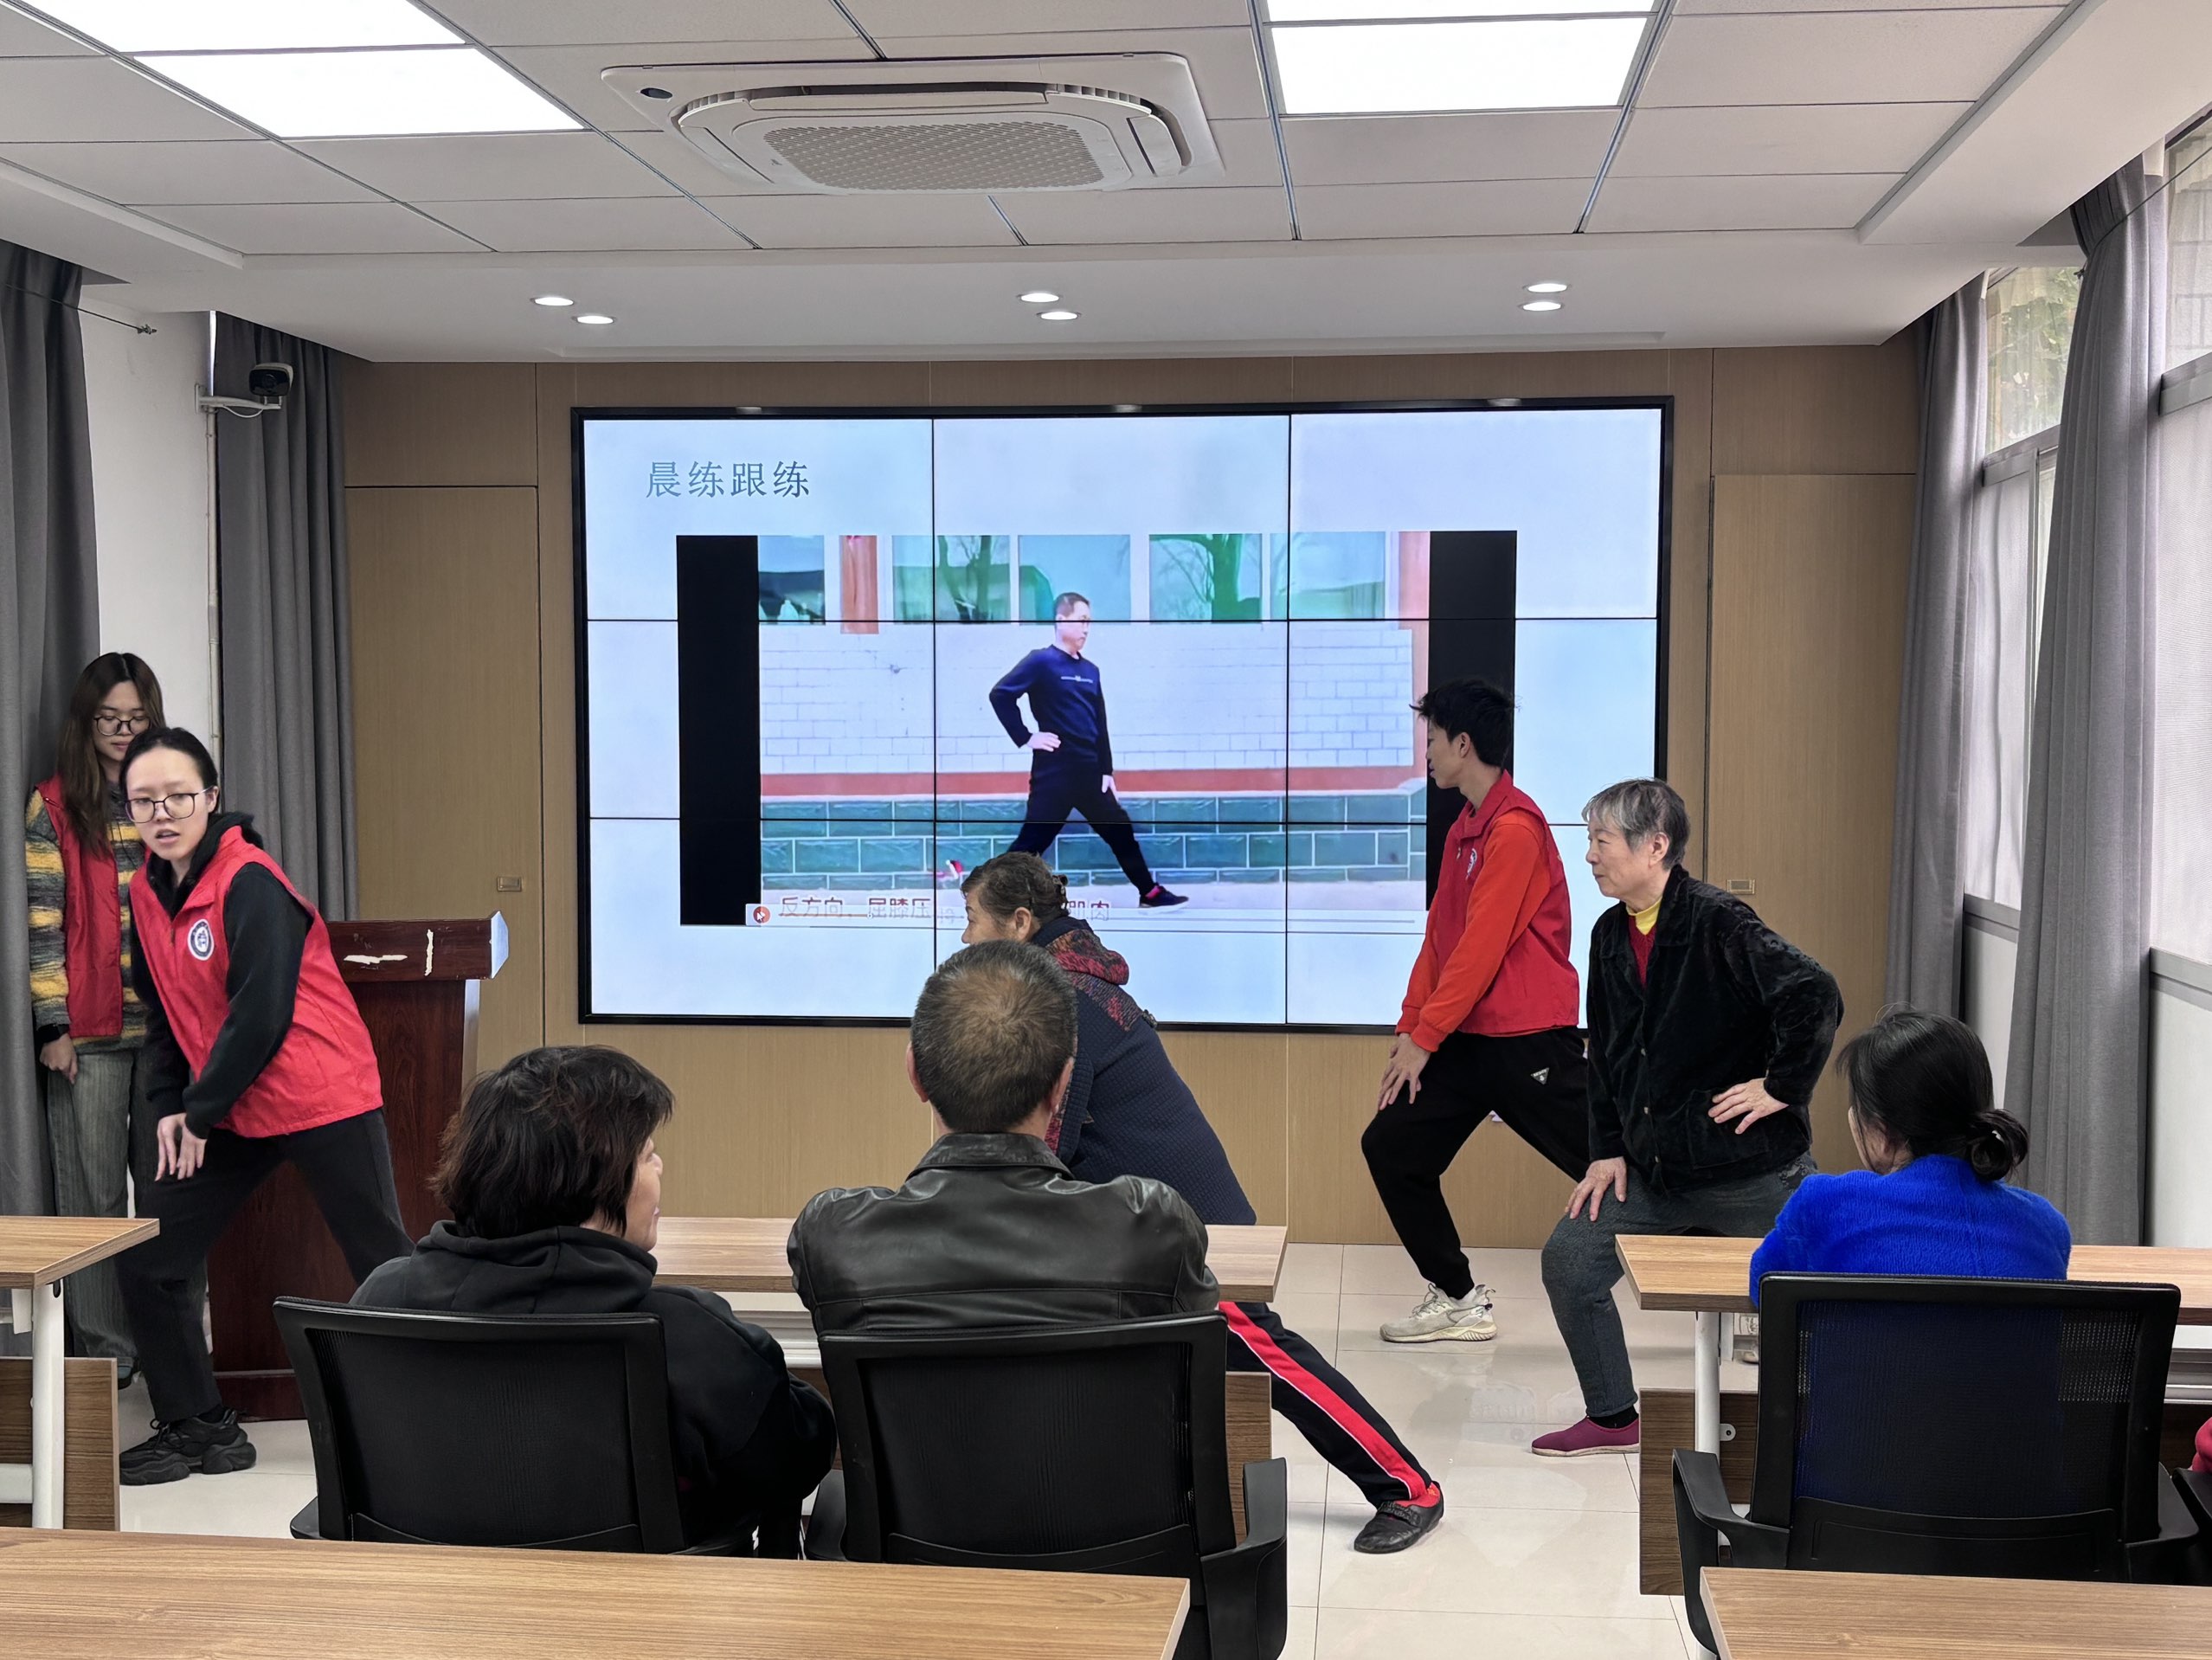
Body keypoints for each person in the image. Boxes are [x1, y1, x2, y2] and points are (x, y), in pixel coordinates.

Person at [960, 852, 1444, 1554]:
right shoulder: (1065, 984)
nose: (965, 937)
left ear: (1019, 923)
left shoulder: (1063, 1002)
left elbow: (1050, 1135)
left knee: (1263, 1354)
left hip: (1189, 1225)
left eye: (972, 919)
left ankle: (1409, 1487)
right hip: (1134, 1219)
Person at [357, 1046, 835, 1551]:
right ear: (593, 1186)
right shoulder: (686, 1337)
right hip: (639, 1600)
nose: (660, 1167)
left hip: (429, 1592)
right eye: (647, 1155)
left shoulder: (382, 1298)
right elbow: (794, 1460)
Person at [113, 727, 414, 1484]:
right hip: (230, 1105)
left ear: (211, 798)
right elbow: (160, 1011)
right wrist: (169, 1106)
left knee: (382, 1263)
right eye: (144, 801)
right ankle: (199, 1428)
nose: (162, 814)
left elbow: (262, 1014)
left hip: (320, 1092)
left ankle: (434, 1422)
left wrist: (198, 1110)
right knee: (148, 1259)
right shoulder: (144, 891)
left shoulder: (250, 880)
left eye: (178, 796)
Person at [1535, 777, 1840, 1457]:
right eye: (1591, 841)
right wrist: (1606, 1149)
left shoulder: (1718, 921)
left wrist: (1782, 1086)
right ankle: (1613, 1417)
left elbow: (1813, 992)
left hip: (1752, 1169)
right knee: (1571, 1263)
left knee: (1810, 1295)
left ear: (1656, 846)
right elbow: (1606, 1053)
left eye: (1601, 841)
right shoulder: (1609, 934)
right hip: (1655, 1170)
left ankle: (1830, 1424)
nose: (1590, 856)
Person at [1360, 678, 1589, 1345]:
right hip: (1467, 1040)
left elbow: (1482, 951)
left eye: (1432, 739)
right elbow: (1440, 942)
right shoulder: (1466, 828)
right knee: (1392, 1146)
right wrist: (1411, 1028)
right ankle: (1459, 1298)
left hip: (1527, 1042)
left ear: (1463, 744)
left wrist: (1426, 1036)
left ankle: (1741, 1284)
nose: (1426, 752)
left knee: (1617, 1164)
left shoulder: (1515, 830)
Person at [25, 653, 164, 1380]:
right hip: (90, 1033)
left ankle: (172, 1347)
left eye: (135, 718)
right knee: (96, 1200)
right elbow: (43, 925)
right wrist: (52, 1027)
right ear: (86, 721)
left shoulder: (167, 799)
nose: (122, 730)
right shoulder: (53, 806)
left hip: (169, 1033)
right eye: (109, 718)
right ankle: (110, 1356)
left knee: (168, 1195)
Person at [1749, 1008, 2067, 1295]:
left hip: (1867, 1348)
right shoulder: (2046, 1224)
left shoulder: (1824, 1204)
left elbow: (1763, 1287)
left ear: (1882, 1134)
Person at [988, 590, 1186, 908]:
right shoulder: (1041, 661)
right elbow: (1000, 695)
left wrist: (1106, 770)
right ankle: (991, 894)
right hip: (1055, 774)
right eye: (1081, 620)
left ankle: (1149, 893)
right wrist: (1026, 737)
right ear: (1060, 620)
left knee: (1120, 831)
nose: (1086, 628)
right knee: (1031, 843)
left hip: (1091, 774)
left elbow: (1099, 722)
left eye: (1089, 622)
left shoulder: (1091, 671)